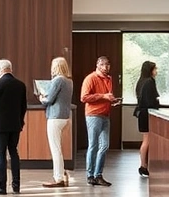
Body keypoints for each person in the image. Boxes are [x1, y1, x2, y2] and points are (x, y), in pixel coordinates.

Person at [0, 59, 27, 195]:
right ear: (10, 69)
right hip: (15, 125)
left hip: (0, 125)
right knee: (14, 152)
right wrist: (20, 121)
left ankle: (1, 186)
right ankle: (16, 185)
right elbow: (23, 107)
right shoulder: (20, 85)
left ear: (0, 70)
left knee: (0, 154)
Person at [80, 56, 119, 187]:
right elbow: (84, 97)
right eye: (103, 64)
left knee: (104, 145)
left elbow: (106, 96)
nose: (106, 67)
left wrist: (111, 100)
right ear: (97, 65)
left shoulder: (109, 79)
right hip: (94, 115)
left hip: (105, 114)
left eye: (108, 64)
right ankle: (90, 175)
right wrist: (103, 96)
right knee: (93, 145)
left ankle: (98, 174)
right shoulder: (90, 78)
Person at [39, 57, 74, 188]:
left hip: (55, 117)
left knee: (56, 149)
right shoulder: (69, 81)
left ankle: (58, 178)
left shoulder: (57, 80)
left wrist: (42, 98)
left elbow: (49, 99)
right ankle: (63, 174)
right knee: (59, 148)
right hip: (65, 116)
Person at [133, 61, 160, 177]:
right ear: (150, 70)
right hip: (147, 113)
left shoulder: (141, 81)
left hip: (142, 113)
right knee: (147, 140)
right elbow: (151, 101)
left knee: (145, 139)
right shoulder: (149, 82)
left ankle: (144, 164)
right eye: (155, 69)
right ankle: (143, 165)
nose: (156, 72)